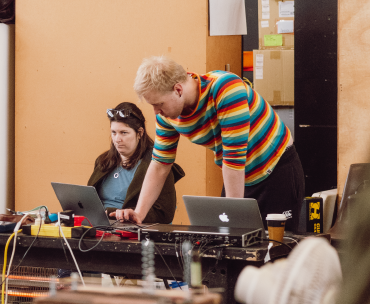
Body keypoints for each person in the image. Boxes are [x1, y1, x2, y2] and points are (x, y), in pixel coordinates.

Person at [114, 56, 303, 227]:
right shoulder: (167, 114)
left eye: (159, 104)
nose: (155, 111)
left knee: (274, 251)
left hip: (277, 169)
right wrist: (140, 213)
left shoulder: (227, 89)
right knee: (231, 254)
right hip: (239, 175)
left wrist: (234, 219)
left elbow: (234, 158)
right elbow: (160, 164)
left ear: (178, 89)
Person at [87, 102, 184, 224]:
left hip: (130, 230)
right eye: (114, 132)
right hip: (97, 225)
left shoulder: (156, 165)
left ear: (140, 133)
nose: (117, 139)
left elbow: (164, 214)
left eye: (124, 133)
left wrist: (120, 213)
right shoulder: (103, 161)